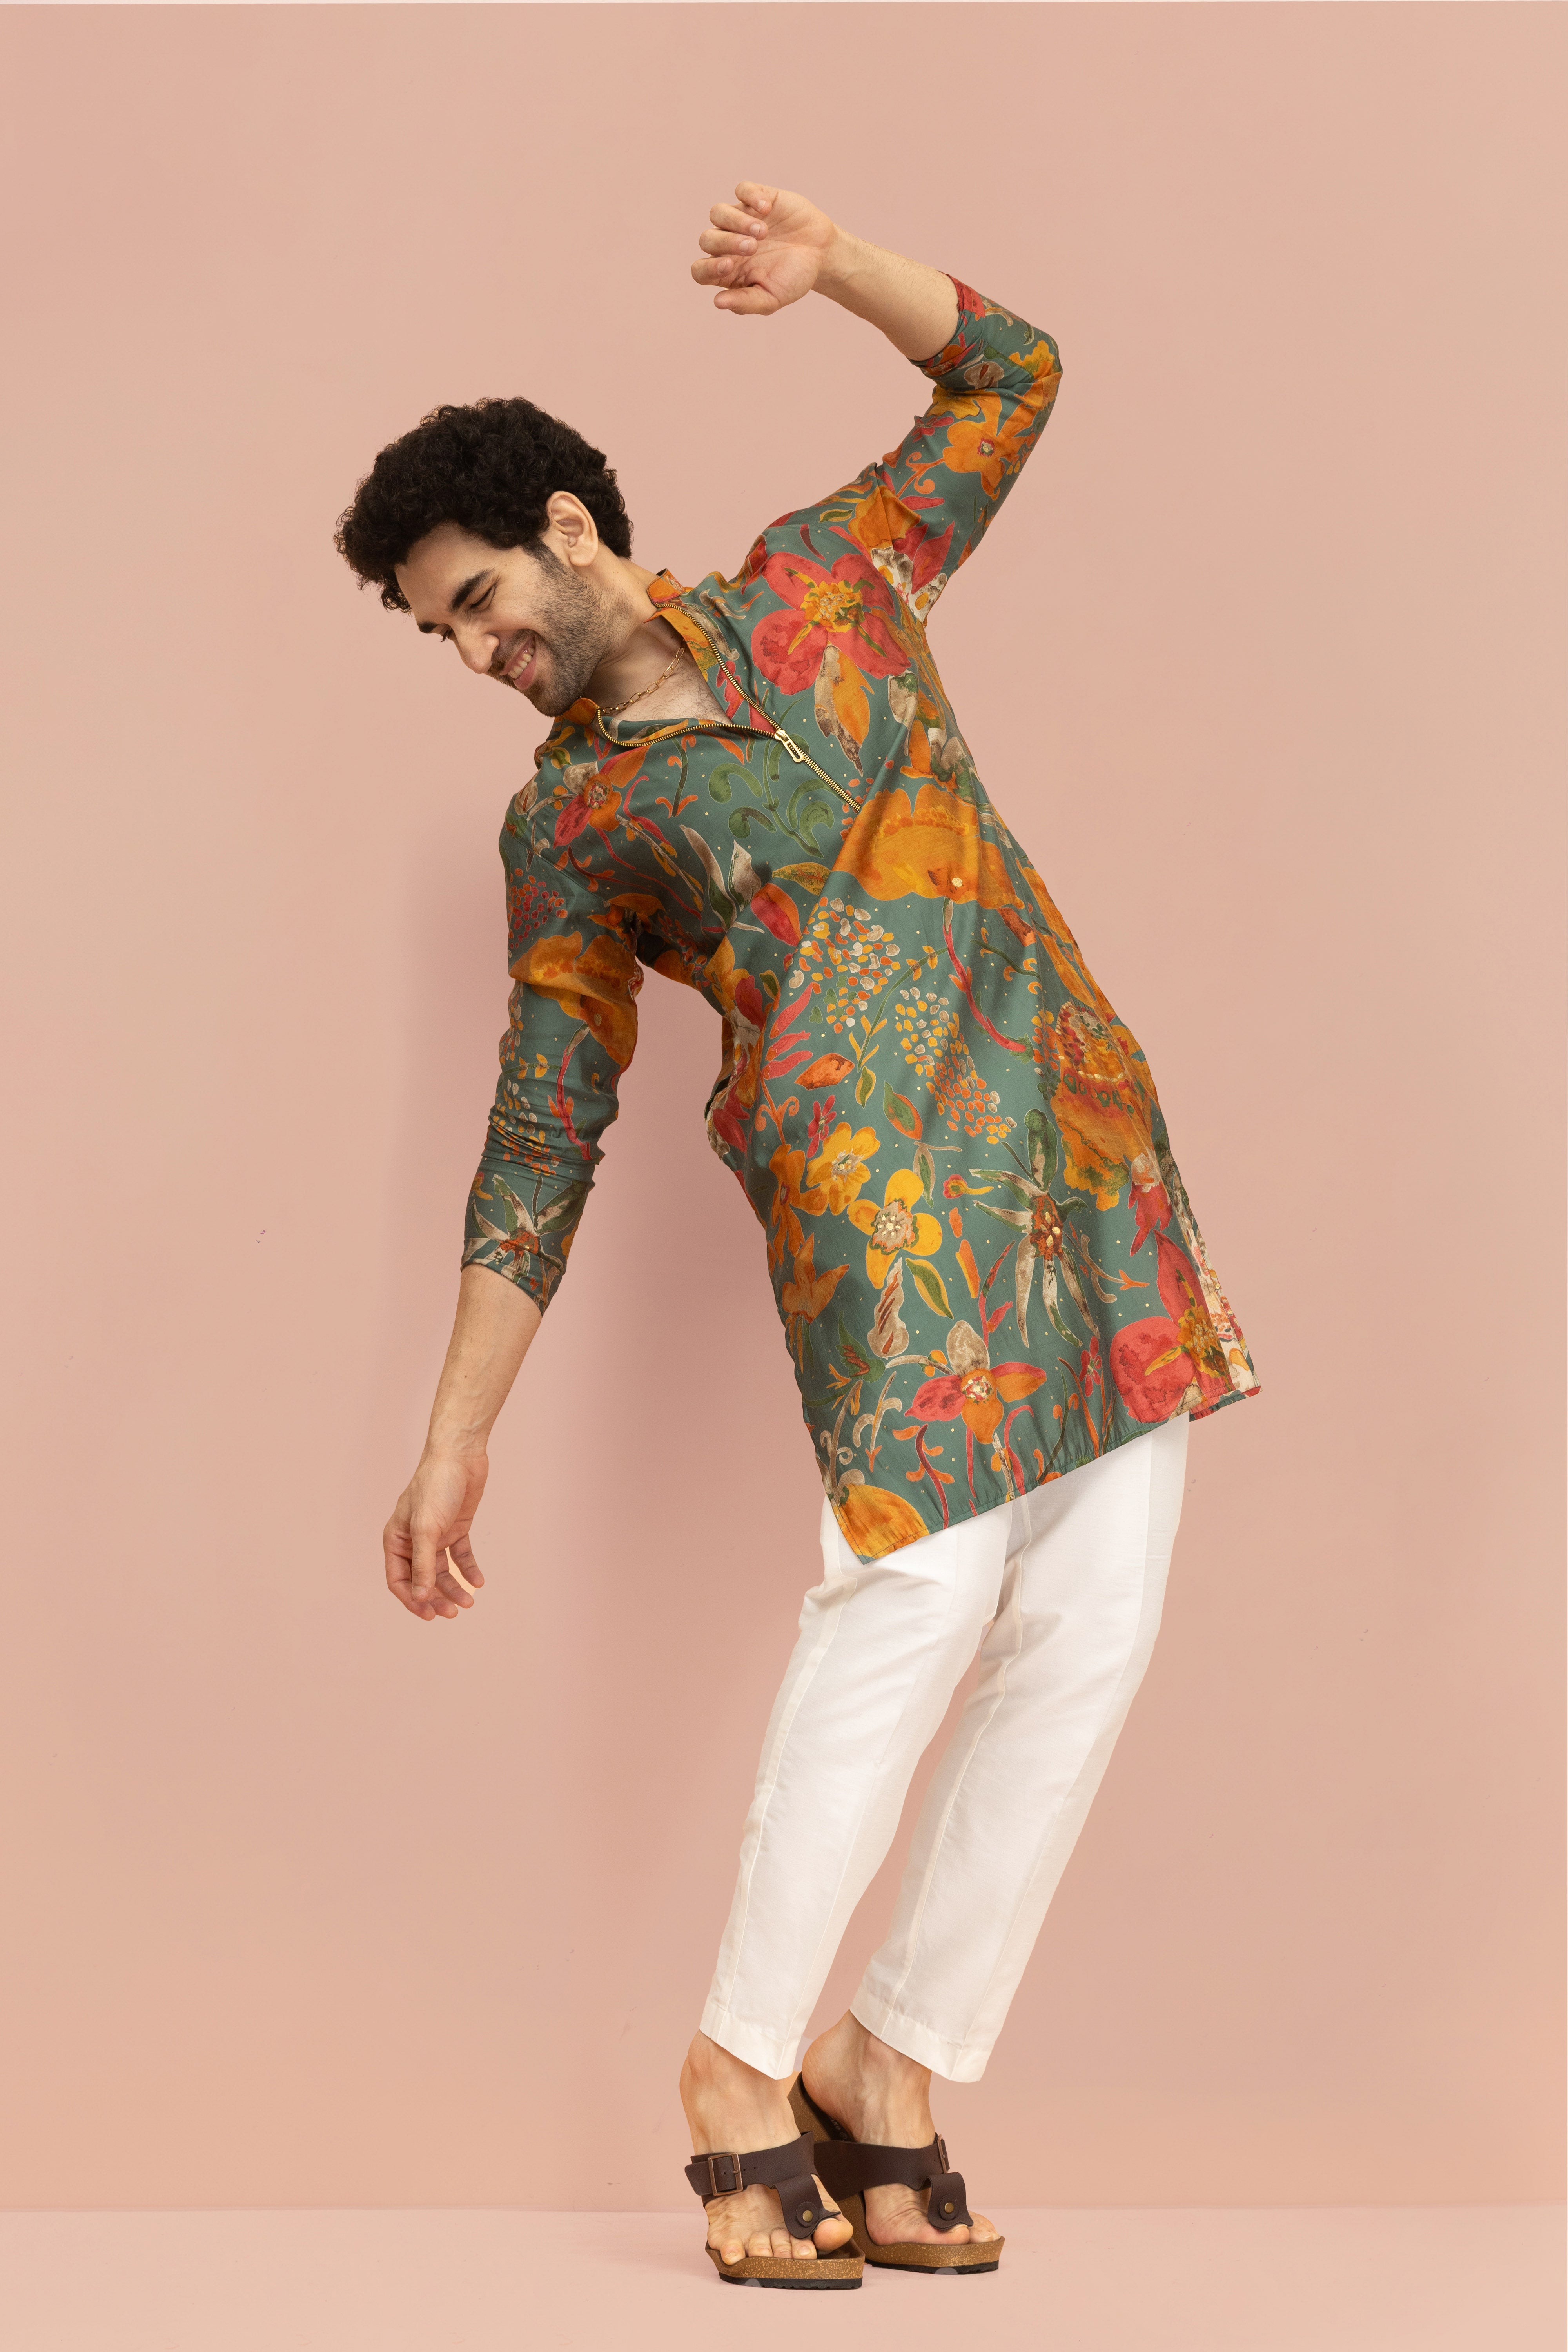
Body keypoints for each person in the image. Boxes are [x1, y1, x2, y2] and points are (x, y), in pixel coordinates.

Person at [334, 180, 1259, 2289]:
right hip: (882, 1230)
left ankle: (891, 2061)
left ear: (570, 525)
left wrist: (837, 268)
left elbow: (1010, 377)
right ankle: (741, 2064)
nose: (474, 654)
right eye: (439, 637)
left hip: (1082, 1161)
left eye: (477, 601)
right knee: (908, 1602)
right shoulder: (569, 826)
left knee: (1090, 1633)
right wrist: (456, 1431)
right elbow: (544, 1128)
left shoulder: (831, 586)